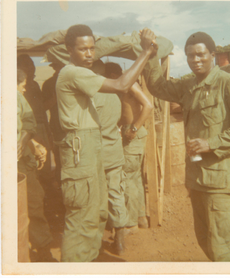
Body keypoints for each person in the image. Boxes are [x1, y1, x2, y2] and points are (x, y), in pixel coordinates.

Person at [142, 31, 230, 261]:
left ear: (213, 55)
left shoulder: (228, 83)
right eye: (190, 56)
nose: (195, 60)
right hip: (197, 180)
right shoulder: (189, 84)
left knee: (224, 246)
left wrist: (212, 143)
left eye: (200, 55)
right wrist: (149, 53)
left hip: (220, 182)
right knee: (205, 239)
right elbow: (158, 88)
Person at [55, 24, 157, 262]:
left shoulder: (85, 75)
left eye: (92, 49)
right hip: (81, 151)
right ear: (69, 50)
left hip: (91, 150)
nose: (89, 54)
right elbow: (121, 84)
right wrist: (146, 52)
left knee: (97, 214)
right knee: (81, 218)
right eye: (83, 49)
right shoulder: (72, 72)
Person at [106, 63, 153, 233]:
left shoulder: (130, 84)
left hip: (131, 133)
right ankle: (139, 217)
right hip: (129, 131)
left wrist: (134, 128)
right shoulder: (126, 87)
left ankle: (131, 223)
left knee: (128, 178)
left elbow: (148, 105)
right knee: (135, 178)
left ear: (112, 74)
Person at [17, 69, 57, 262]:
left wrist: (28, 142)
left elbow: (27, 123)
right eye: (21, 86)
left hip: (22, 163)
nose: (23, 90)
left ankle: (42, 250)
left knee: (33, 203)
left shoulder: (18, 98)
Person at [91, 62, 128, 256]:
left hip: (97, 154)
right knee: (116, 194)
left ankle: (96, 243)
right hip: (114, 151)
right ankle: (120, 241)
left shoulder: (90, 95)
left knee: (96, 197)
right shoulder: (115, 95)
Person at [17, 55, 54, 200]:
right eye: (27, 65)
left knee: (45, 166)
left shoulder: (34, 85)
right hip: (31, 130)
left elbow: (41, 110)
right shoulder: (21, 89)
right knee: (35, 165)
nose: (32, 68)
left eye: (32, 65)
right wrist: (54, 99)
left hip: (41, 127)